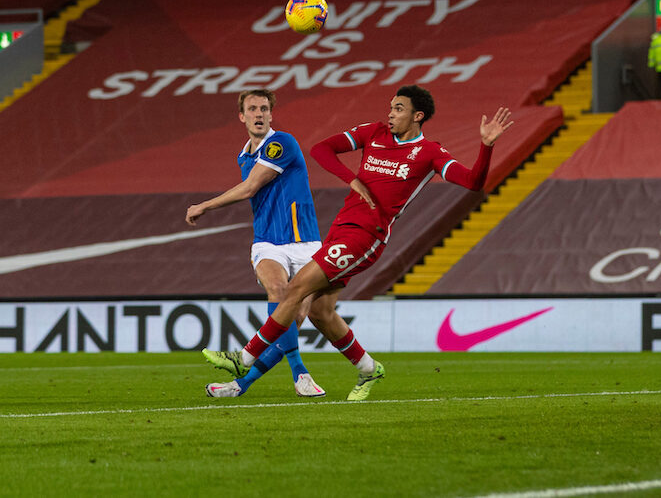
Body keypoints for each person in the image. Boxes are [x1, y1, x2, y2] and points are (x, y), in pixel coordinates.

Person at [203, 85, 514, 400]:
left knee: (296, 288)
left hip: (367, 236)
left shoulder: (430, 153)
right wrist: (351, 179)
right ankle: (368, 369)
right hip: (340, 228)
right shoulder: (374, 133)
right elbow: (322, 149)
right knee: (321, 312)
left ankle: (244, 359)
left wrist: (486, 146)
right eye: (391, 107)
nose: (390, 114)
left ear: (417, 116)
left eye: (399, 109)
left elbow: (474, 182)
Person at [185, 89, 325, 398]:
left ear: (271, 115)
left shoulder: (282, 143)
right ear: (242, 116)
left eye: (264, 108)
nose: (259, 114)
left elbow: (250, 188)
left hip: (305, 243)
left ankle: (239, 385)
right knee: (278, 291)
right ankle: (300, 373)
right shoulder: (244, 155)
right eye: (252, 109)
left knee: (290, 322)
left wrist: (204, 206)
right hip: (268, 243)